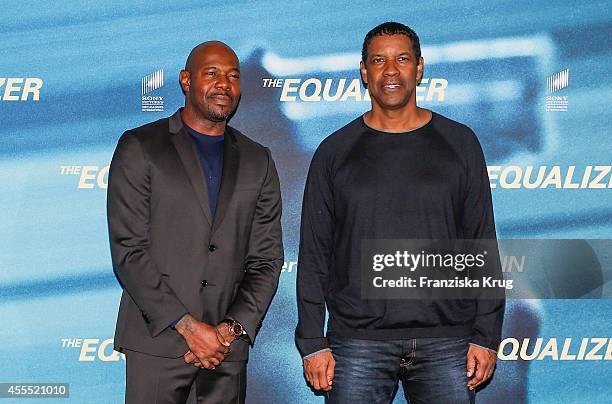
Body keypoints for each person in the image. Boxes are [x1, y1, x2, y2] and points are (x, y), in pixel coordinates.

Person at [295, 22, 504, 403]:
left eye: (402, 59)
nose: (390, 70)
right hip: (356, 345)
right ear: (364, 72)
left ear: (419, 68)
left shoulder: (460, 143)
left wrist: (487, 336)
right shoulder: (334, 152)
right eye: (379, 60)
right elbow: (313, 255)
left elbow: (482, 245)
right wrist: (312, 341)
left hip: (449, 344)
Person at [107, 41, 283, 404]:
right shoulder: (141, 146)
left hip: (226, 349)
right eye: (212, 73)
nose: (224, 84)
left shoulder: (258, 159)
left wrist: (229, 330)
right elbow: (129, 251)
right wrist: (188, 326)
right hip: (157, 342)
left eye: (233, 76)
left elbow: (266, 259)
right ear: (186, 80)